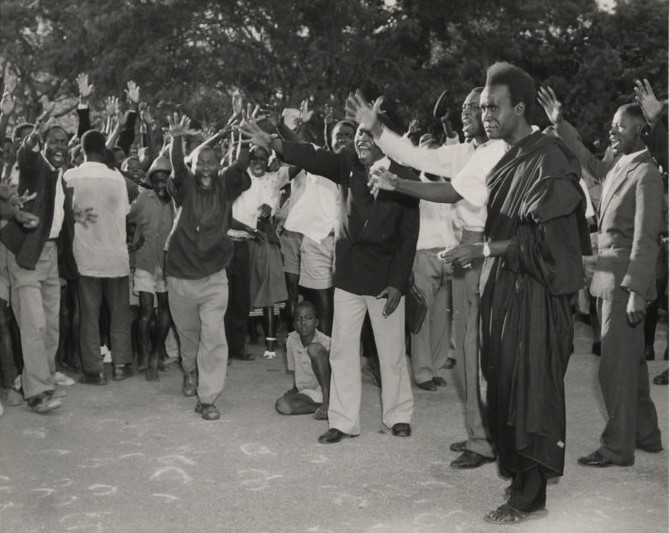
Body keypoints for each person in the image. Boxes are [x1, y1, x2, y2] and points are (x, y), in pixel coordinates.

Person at [442, 63, 590, 524]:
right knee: (502, 382)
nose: (485, 113)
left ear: (520, 108)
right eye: (482, 106)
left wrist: (484, 248)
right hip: (506, 284)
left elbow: (554, 240)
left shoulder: (549, 157)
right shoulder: (505, 157)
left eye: (493, 106)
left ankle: (531, 494)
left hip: (538, 293)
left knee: (530, 388)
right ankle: (522, 472)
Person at [240, 109, 420, 444]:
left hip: (386, 282)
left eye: (370, 133)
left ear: (387, 137)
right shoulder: (347, 164)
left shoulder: (405, 176)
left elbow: (409, 237)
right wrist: (275, 141)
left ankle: (398, 416)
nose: (362, 139)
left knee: (391, 351)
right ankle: (343, 420)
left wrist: (398, 283)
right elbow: (312, 156)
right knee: (343, 351)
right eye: (359, 134)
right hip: (350, 276)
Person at [350, 87, 502, 469]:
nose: (468, 114)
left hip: (489, 253)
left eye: (477, 108)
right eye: (466, 108)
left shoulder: (500, 151)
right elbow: (416, 155)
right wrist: (378, 128)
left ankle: (487, 439)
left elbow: (450, 193)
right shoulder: (468, 153)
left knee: (479, 353)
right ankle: (479, 434)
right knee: (467, 353)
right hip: (467, 253)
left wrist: (398, 185)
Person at [537, 86, 664, 467]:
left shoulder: (647, 173)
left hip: (626, 286)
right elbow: (588, 161)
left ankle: (616, 448)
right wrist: (559, 123)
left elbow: (645, 239)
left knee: (614, 370)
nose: (612, 132)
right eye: (611, 126)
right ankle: (646, 435)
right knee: (632, 368)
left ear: (639, 131)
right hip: (607, 282)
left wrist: (637, 292)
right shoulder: (618, 166)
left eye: (619, 126)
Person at [166, 114, 251, 421]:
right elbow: (177, 166)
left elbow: (240, 164)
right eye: (200, 163)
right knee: (189, 338)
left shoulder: (226, 187)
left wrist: (245, 137)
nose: (205, 169)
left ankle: (208, 398)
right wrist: (177, 139)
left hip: (214, 276)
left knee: (213, 335)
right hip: (180, 276)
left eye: (211, 163)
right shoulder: (186, 186)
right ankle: (189, 370)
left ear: (218, 166)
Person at [0, 120, 77, 413]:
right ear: (44, 144)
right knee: (33, 325)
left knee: (50, 326)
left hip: (50, 254)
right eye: (54, 141)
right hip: (26, 255)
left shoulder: (61, 174)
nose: (60, 146)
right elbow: (25, 156)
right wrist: (31, 140)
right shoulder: (37, 167)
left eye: (64, 141)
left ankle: (44, 381)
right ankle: (36, 392)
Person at [63, 130, 133, 384]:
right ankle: (121, 365)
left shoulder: (71, 176)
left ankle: (94, 371)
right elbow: (125, 212)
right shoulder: (116, 177)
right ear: (104, 148)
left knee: (89, 316)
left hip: (86, 256)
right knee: (119, 313)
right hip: (116, 255)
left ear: (82, 149)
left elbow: (65, 213)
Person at [127, 156, 177, 381]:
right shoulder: (144, 198)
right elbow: (127, 218)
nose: (159, 184)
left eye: (164, 180)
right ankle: (144, 355)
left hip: (168, 264)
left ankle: (156, 353)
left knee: (165, 309)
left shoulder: (178, 201)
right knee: (146, 310)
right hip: (145, 261)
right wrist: (131, 241)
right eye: (155, 180)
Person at [275, 300, 331, 420]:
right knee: (282, 405)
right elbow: (295, 370)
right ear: (294, 324)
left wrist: (327, 399)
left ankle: (328, 403)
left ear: (316, 322)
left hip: (328, 390)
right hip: (309, 391)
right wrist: (295, 390)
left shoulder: (326, 342)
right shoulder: (291, 340)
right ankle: (321, 408)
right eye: (299, 319)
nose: (303, 323)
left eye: (308, 318)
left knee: (314, 348)